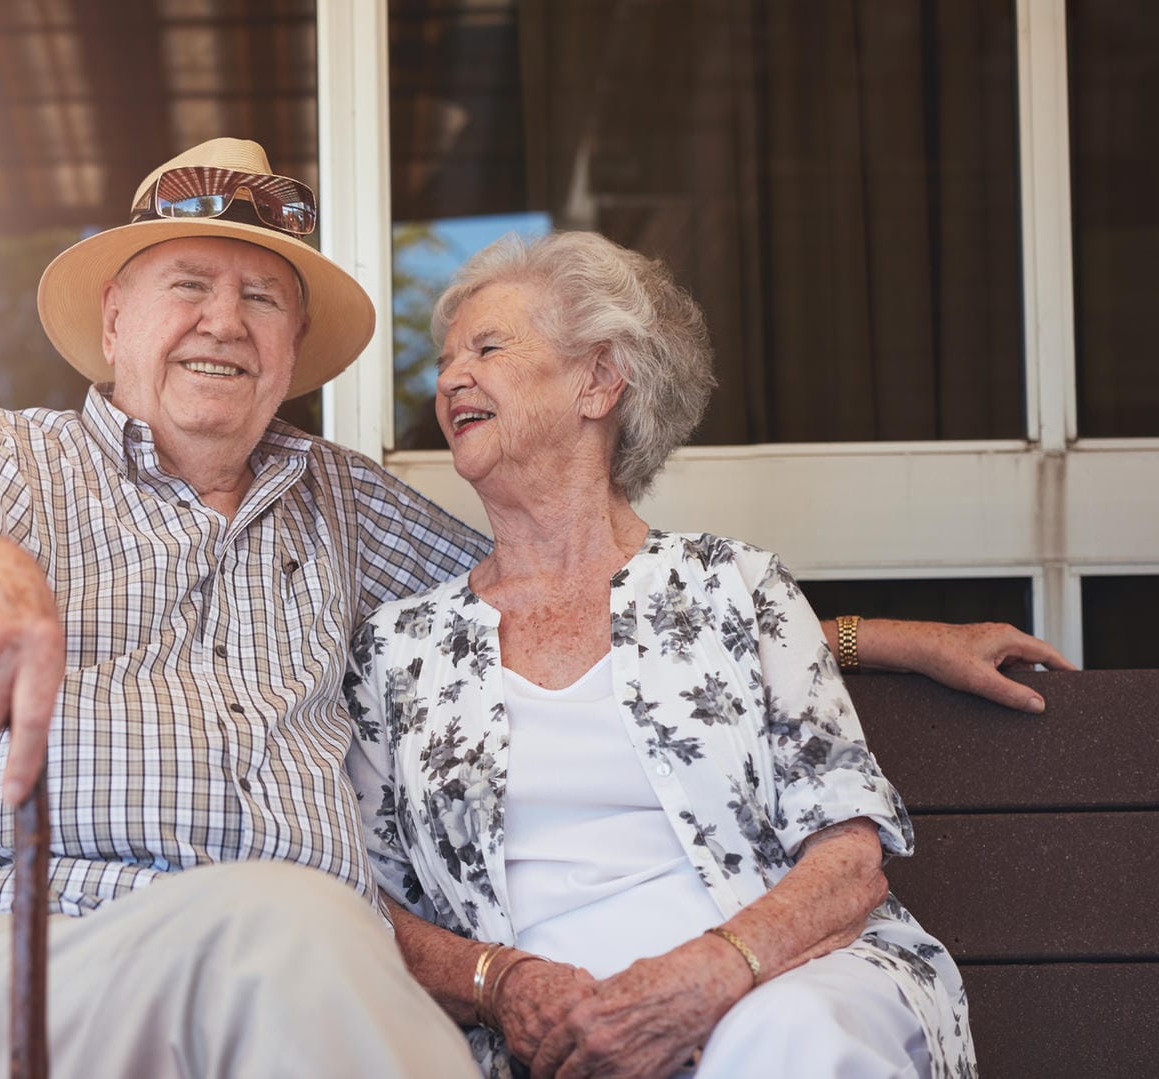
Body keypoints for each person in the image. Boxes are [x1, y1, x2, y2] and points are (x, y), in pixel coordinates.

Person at [0, 138, 1063, 1077]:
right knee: (292, 921)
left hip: (296, 998)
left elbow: (581, 585)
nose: (223, 320)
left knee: (301, 938)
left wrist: (888, 636)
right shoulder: (4, 454)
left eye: (261, 299)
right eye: (185, 284)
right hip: (25, 958)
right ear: (112, 320)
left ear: (290, 354)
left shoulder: (340, 508)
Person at [344, 231, 1014, 1079]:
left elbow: (848, 865)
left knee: (785, 1040)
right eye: (444, 360)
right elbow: (370, 900)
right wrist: (496, 981)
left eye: (487, 347)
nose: (449, 379)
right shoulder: (402, 646)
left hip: (773, 984)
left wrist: (710, 976)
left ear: (598, 381)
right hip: (534, 1037)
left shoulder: (734, 586)